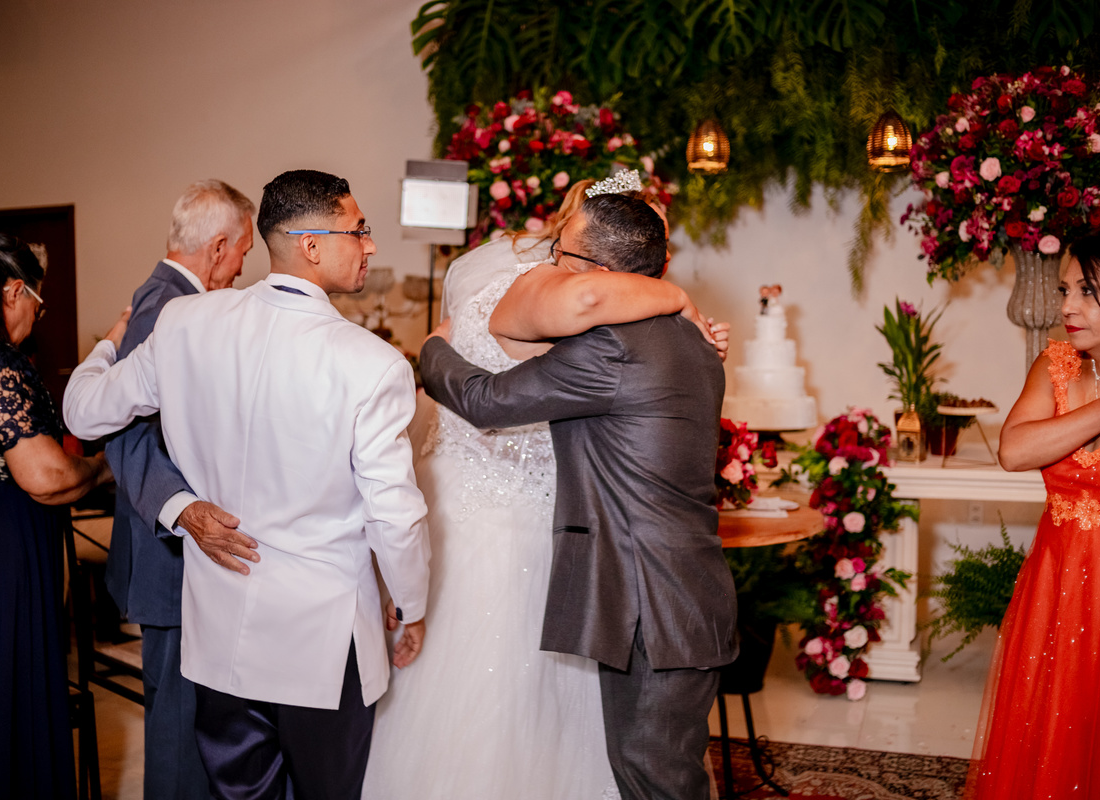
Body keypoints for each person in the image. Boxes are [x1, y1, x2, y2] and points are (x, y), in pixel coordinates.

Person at [63, 169, 431, 800]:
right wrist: (411, 603)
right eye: (360, 230)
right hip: (320, 647)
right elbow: (394, 514)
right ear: (311, 245)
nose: (370, 245)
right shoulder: (372, 364)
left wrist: (108, 346)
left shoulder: (183, 324)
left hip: (220, 639)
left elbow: (82, 413)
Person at [362, 175, 725, 800]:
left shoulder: (612, 347)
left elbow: (487, 401)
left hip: (652, 603)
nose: (550, 260)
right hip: (673, 591)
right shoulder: (690, 341)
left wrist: (433, 348)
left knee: (653, 775)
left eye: (563, 253)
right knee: (645, 766)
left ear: (600, 272)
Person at [969, 227, 1100, 797]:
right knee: (1049, 748)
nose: (1068, 306)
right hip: (1055, 594)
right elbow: (1014, 450)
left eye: (1088, 290)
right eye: (1066, 290)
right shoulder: (1057, 366)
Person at [104, 179, 262, 800]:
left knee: (193, 722)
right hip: (169, 556)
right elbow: (125, 433)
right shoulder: (166, 308)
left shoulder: (174, 300)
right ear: (219, 247)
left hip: (180, 557)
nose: (243, 265)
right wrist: (186, 509)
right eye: (243, 250)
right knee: (178, 731)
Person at [0, 233, 113, 799]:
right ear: (14, 291)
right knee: (0, 690)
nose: (36, 320)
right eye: (38, 306)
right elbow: (45, 475)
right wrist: (101, 467)